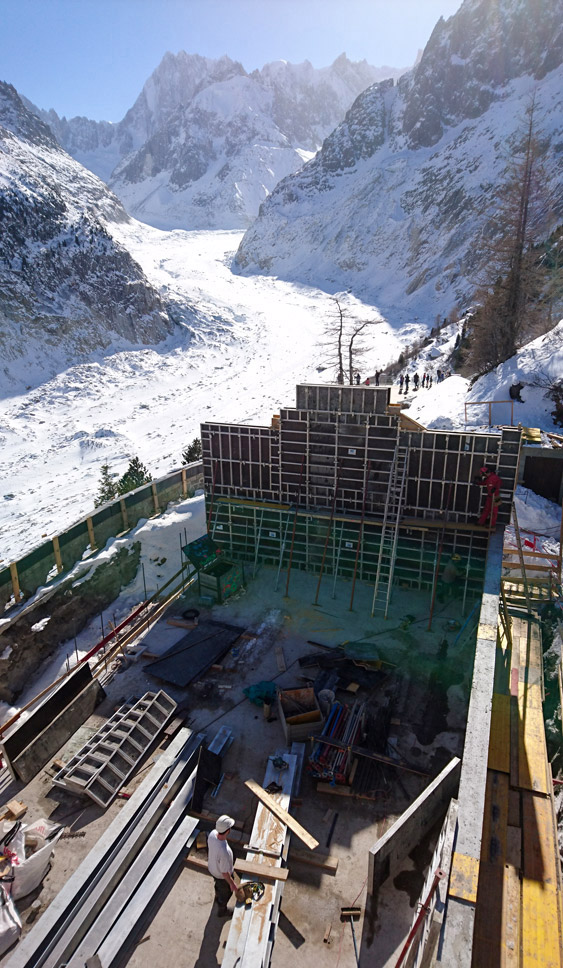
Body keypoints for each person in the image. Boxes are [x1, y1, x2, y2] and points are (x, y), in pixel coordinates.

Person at [207, 815, 245, 916]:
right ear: (228, 831)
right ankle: (222, 910)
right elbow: (224, 873)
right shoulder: (224, 851)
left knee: (218, 885)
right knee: (226, 893)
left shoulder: (212, 834)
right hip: (220, 875)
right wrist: (232, 884)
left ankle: (217, 896)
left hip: (212, 869)